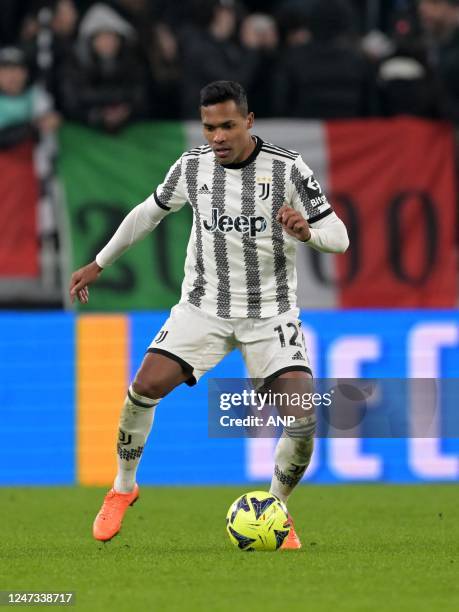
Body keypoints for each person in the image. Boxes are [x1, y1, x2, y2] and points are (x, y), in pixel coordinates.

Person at [69, 80, 349, 549]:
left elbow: (338, 236)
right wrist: (99, 262)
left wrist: (307, 232)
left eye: (227, 126)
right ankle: (122, 488)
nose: (216, 137)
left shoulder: (288, 169)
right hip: (204, 308)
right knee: (143, 387)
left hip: (270, 313)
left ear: (249, 122)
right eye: (208, 127)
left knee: (302, 421)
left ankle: (275, 510)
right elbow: (147, 213)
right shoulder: (192, 166)